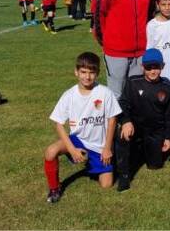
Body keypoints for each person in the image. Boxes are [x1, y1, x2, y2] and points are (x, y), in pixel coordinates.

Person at [43, 52, 121, 203]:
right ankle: (54, 188)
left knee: (106, 185)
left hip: (99, 147)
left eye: (92, 72)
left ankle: (97, 164)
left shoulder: (105, 93)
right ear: (76, 72)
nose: (87, 77)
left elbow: (112, 120)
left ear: (97, 73)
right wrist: (72, 149)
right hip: (78, 141)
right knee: (50, 151)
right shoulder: (69, 95)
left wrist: (107, 148)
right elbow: (58, 124)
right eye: (83, 72)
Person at [95, 0, 156, 100]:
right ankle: (114, 124)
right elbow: (98, 16)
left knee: (137, 94)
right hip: (116, 52)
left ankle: (132, 125)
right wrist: (107, 42)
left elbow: (151, 17)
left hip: (141, 52)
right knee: (116, 95)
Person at [116, 49, 170, 192]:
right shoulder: (133, 82)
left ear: (163, 66)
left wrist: (169, 138)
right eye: (148, 67)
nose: (152, 71)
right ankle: (124, 176)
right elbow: (123, 103)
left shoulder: (166, 86)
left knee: (155, 165)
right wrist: (126, 121)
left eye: (156, 67)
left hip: (155, 130)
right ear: (142, 67)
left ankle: (145, 151)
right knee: (121, 134)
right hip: (135, 127)